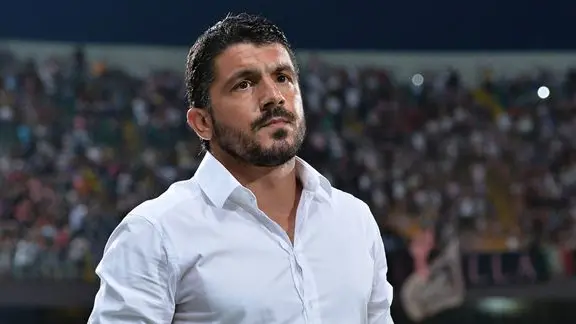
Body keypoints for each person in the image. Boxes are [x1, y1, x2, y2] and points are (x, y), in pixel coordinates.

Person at [88, 13, 394, 324]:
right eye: (244, 84)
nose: (273, 97)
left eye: (283, 78)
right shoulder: (155, 234)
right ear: (203, 123)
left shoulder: (354, 220)